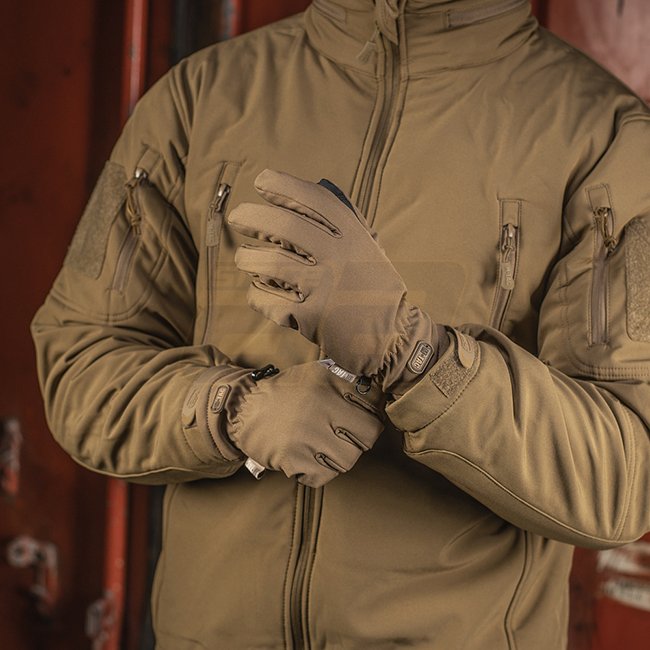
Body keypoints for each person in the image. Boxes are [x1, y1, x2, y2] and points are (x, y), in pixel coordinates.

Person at [31, 0, 650, 648]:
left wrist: (418, 357)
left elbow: (625, 476)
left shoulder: (606, 136)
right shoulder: (199, 97)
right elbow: (80, 361)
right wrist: (232, 410)